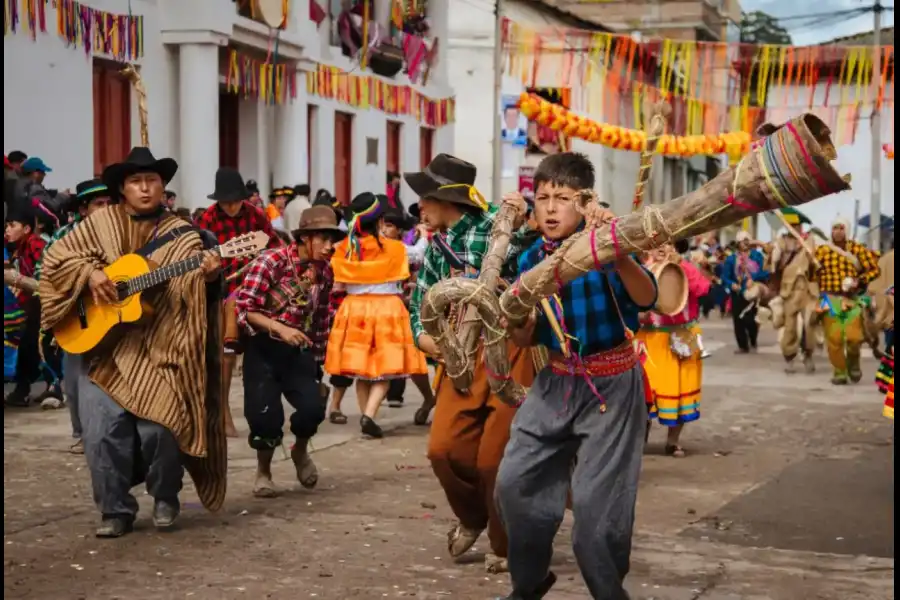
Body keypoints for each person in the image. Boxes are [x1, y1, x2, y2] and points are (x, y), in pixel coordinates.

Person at [37, 147, 227, 537]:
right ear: (122, 188)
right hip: (104, 348)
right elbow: (57, 258)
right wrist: (89, 274)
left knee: (161, 427)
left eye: (152, 180)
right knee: (102, 432)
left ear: (162, 187)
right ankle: (115, 510)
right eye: (136, 182)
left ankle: (165, 496)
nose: (144, 188)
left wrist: (207, 278)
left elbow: (192, 295)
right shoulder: (98, 223)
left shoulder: (184, 236)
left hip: (161, 347)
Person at [495, 152, 658, 600]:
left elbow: (648, 297)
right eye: (542, 197)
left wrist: (618, 247)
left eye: (562, 198)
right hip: (555, 381)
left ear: (584, 202)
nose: (549, 208)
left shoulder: (605, 247)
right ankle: (527, 584)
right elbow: (528, 337)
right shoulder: (530, 258)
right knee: (514, 485)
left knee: (596, 511)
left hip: (612, 387)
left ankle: (609, 594)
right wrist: (520, 326)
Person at [406, 154, 532, 574]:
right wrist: (431, 342)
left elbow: (535, 255)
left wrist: (525, 218)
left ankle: (504, 543)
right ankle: (473, 516)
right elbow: (416, 305)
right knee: (443, 450)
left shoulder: (502, 227)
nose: (419, 206)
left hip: (510, 354)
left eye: (425, 197)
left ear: (446, 199)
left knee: (493, 460)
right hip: (459, 357)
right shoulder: (435, 245)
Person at [235, 205, 342, 498]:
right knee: (265, 418)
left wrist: (318, 364)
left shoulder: (324, 272)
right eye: (324, 239)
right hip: (263, 350)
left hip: (300, 353)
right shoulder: (271, 262)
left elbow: (321, 319)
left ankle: (301, 451)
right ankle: (264, 472)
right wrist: (280, 329)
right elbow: (245, 309)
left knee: (313, 408)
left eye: (333, 240)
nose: (330, 247)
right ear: (305, 238)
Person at [325, 193, 428, 438]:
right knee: (385, 370)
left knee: (362, 371)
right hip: (387, 309)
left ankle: (366, 415)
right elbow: (418, 254)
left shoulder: (344, 248)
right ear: (380, 222)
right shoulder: (394, 247)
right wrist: (423, 236)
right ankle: (369, 415)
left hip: (354, 309)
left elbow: (335, 277)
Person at [195, 167, 282, 438]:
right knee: (224, 359)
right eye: (226, 201)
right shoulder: (207, 219)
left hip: (254, 289)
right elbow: (198, 257)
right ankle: (221, 413)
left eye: (236, 201)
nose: (232, 206)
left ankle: (261, 410)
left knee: (261, 352)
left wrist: (266, 260)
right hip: (222, 291)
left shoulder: (256, 215)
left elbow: (275, 245)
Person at [33, 179, 112, 446]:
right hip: (74, 315)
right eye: (99, 204)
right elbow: (42, 273)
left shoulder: (119, 234)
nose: (106, 208)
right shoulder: (63, 236)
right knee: (76, 379)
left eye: (109, 203)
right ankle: (81, 435)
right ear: (84, 209)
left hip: (112, 316)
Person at [639, 240, 710, 457]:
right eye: (657, 243)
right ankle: (639, 437)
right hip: (649, 338)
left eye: (668, 243)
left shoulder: (684, 267)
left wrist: (682, 267)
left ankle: (672, 440)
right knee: (643, 393)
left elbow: (703, 289)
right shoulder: (640, 267)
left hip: (681, 337)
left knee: (679, 391)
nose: (662, 247)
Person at [814, 217, 881, 385]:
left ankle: (853, 364)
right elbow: (810, 275)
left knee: (853, 338)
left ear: (847, 230)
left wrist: (860, 280)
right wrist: (813, 267)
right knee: (834, 339)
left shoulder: (857, 249)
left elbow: (875, 269)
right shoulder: (821, 251)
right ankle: (839, 372)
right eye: (835, 228)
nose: (837, 231)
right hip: (828, 300)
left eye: (841, 228)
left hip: (852, 300)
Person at [4, 201, 48, 407]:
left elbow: (43, 284)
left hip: (46, 307)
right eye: (6, 226)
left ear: (27, 229)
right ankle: (23, 390)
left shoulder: (37, 246)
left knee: (38, 346)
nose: (7, 230)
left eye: (12, 225)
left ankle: (54, 388)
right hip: (31, 309)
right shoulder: (18, 250)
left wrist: (14, 279)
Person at [765, 215, 819, 374]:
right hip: (790, 289)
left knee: (809, 324)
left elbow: (815, 261)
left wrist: (811, 252)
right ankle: (789, 356)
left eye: (797, 225)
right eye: (792, 225)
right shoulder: (781, 241)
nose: (795, 228)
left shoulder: (809, 240)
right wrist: (774, 252)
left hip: (808, 290)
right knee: (790, 327)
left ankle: (808, 354)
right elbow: (774, 262)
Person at [721, 230, 768, 353]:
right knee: (738, 320)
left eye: (747, 241)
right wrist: (732, 284)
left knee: (751, 319)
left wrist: (753, 279)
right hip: (737, 292)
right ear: (738, 243)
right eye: (742, 241)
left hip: (752, 293)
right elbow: (725, 277)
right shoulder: (731, 259)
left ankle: (753, 339)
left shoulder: (757, 256)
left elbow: (765, 272)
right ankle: (743, 346)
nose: (745, 244)